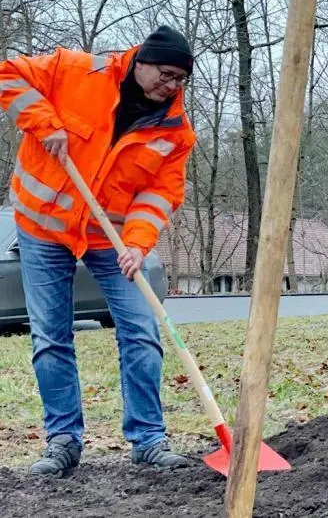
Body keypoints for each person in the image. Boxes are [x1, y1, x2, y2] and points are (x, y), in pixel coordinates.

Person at [0, 26, 198, 476]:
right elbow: (7, 75)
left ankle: (148, 439)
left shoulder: (174, 132)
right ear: (141, 62)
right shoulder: (75, 71)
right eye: (165, 74)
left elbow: (160, 193)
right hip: (43, 228)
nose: (170, 86)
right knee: (51, 335)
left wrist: (137, 243)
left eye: (180, 80)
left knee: (142, 328)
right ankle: (63, 441)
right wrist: (44, 122)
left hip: (111, 237)